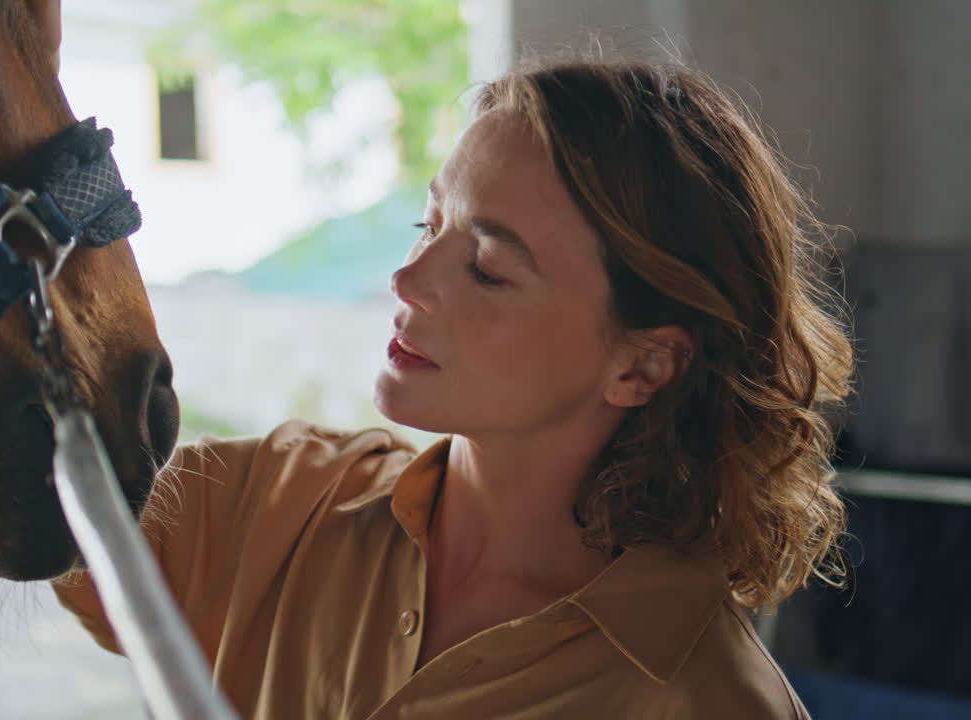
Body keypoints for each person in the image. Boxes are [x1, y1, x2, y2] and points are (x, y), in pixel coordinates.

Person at [51, 58, 853, 719]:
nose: (406, 279)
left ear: (641, 366)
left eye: (488, 270)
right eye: (428, 226)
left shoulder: (711, 701)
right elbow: (0, 474)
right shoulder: (271, 502)